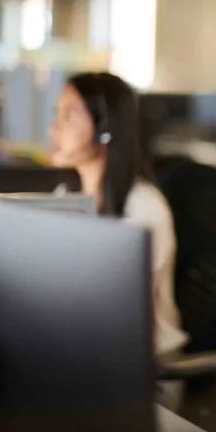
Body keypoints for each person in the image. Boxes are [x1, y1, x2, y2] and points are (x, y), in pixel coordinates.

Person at [47, 72, 188, 358]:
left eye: (69, 115)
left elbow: (114, 306)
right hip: (88, 350)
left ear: (105, 129)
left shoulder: (144, 206)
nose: (53, 128)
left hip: (146, 366)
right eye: (56, 113)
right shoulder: (66, 197)